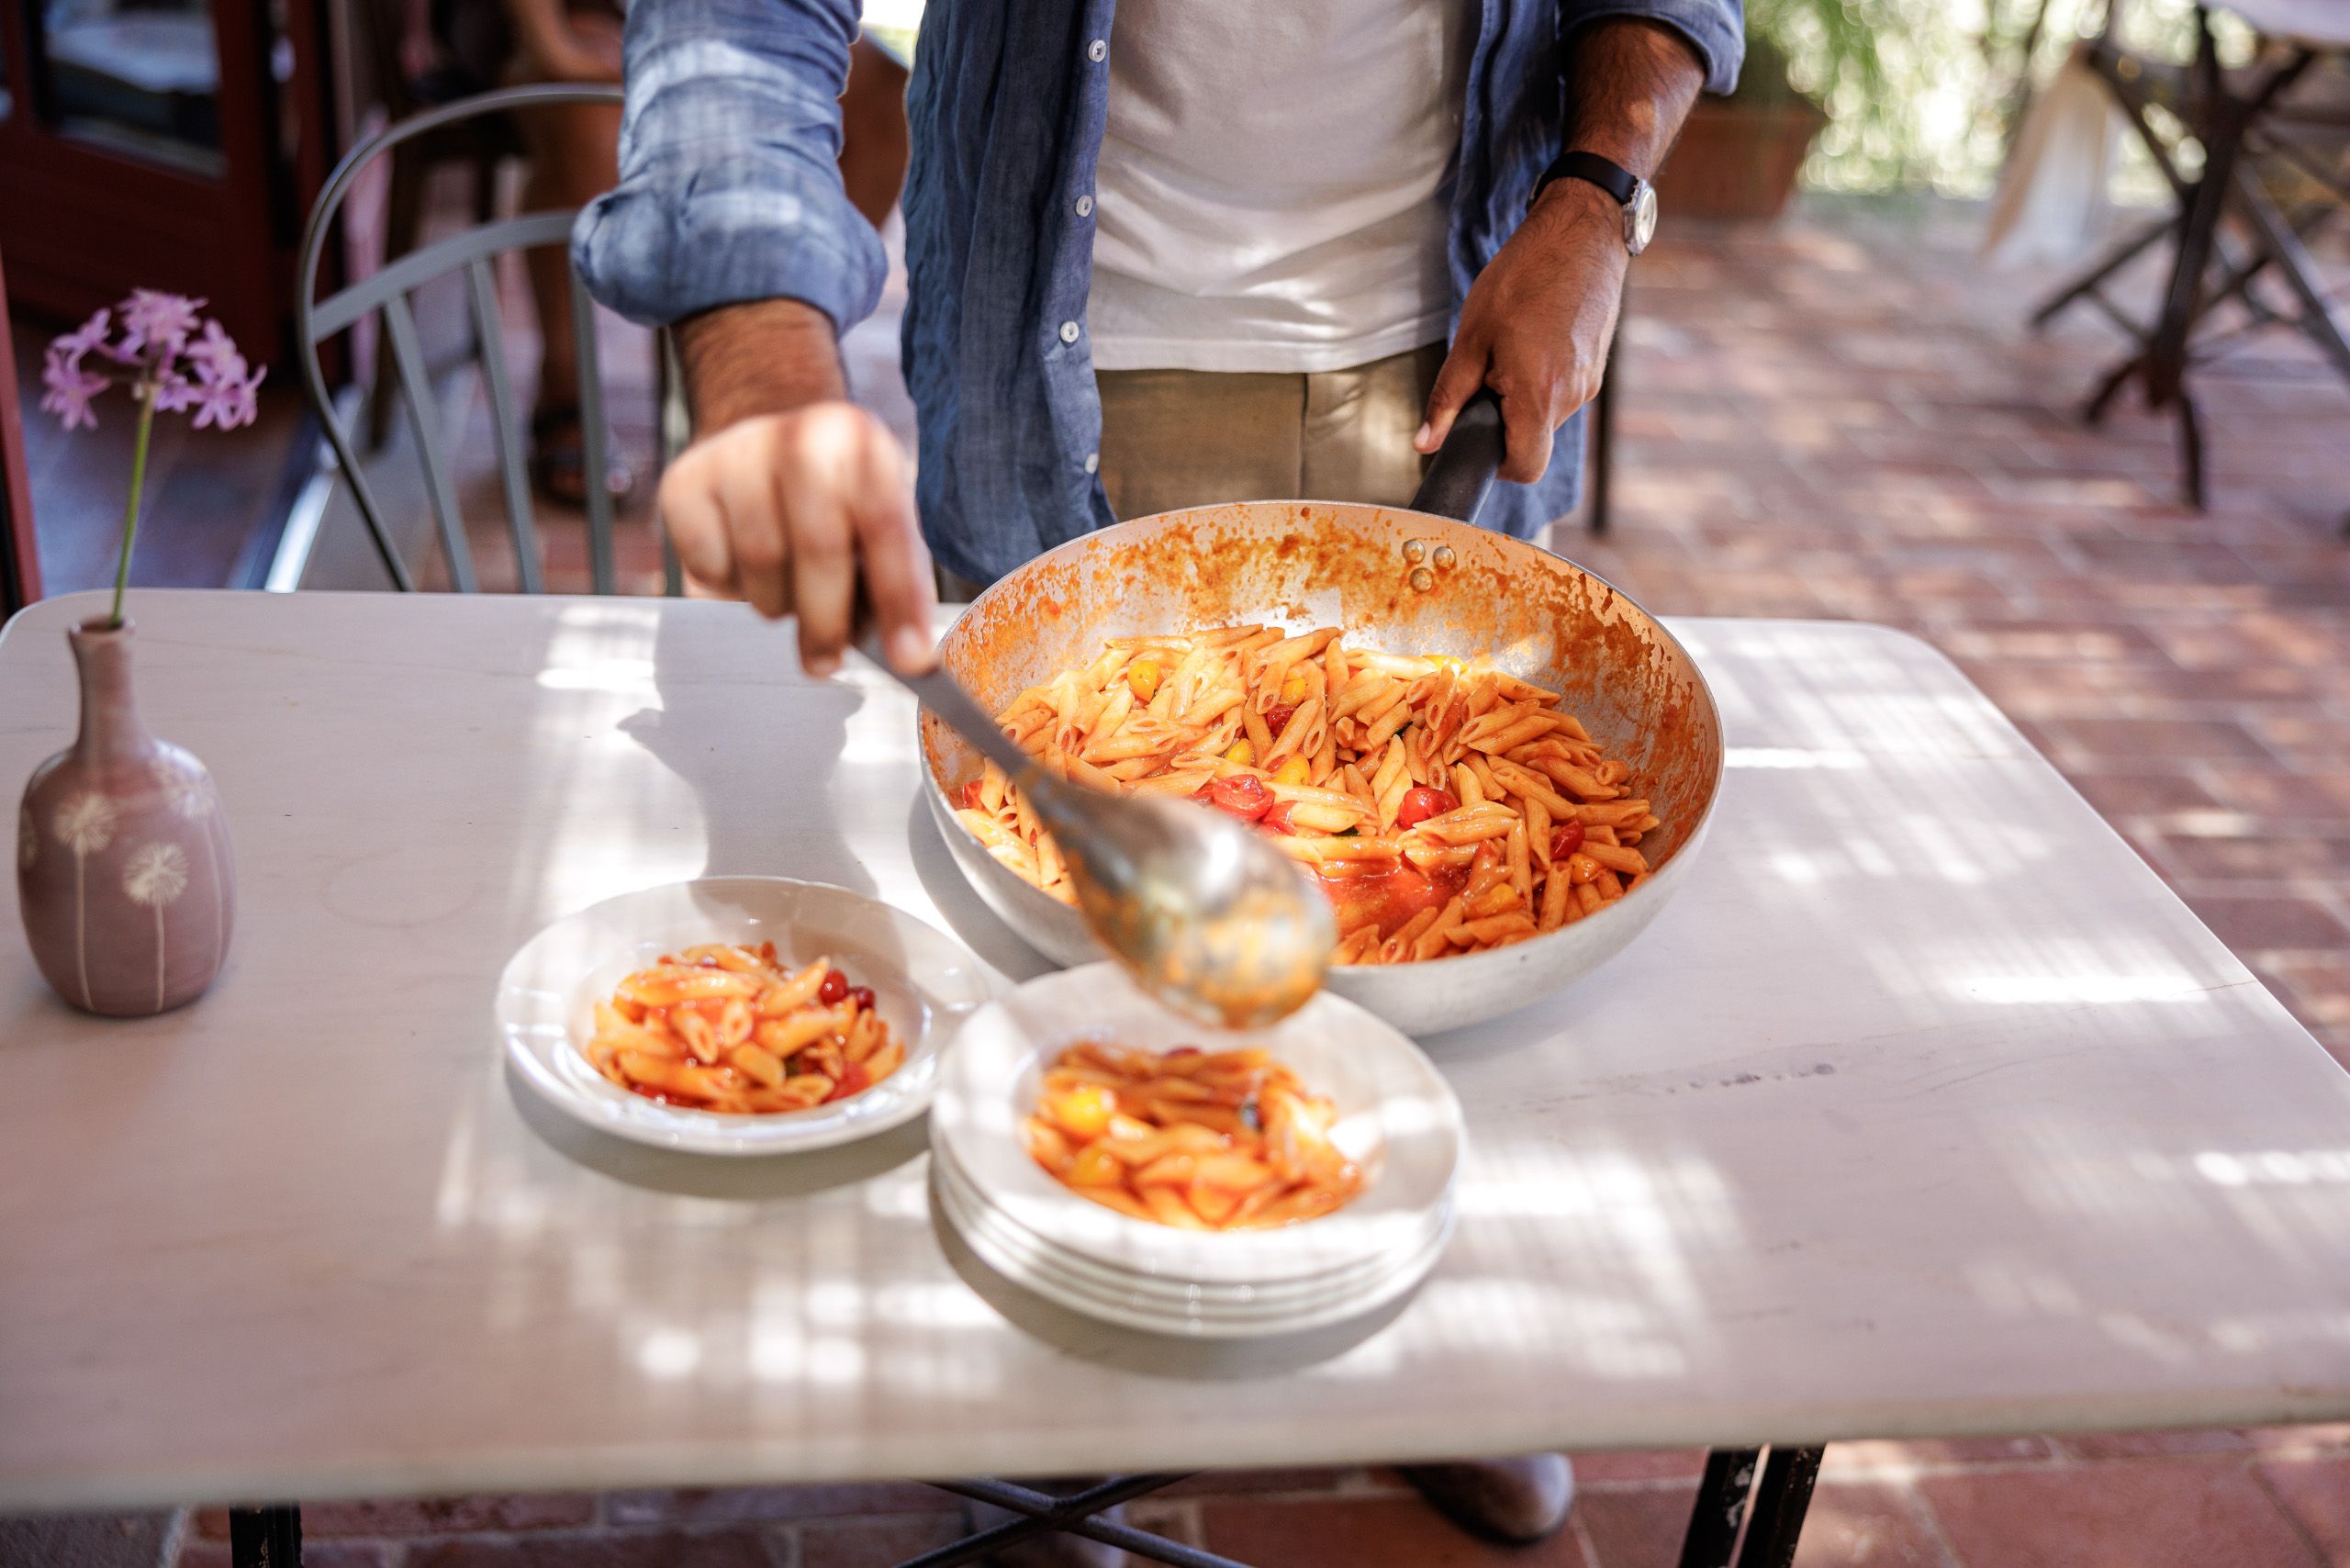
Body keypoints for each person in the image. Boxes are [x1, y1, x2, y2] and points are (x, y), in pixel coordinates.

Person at [577, 0, 1739, 1553]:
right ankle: (1075, 1381)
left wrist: (1602, 191)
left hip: (1461, 304)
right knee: (1067, 949)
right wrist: (763, 344)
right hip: (1064, 342)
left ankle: (1429, 1364)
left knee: (1450, 949)